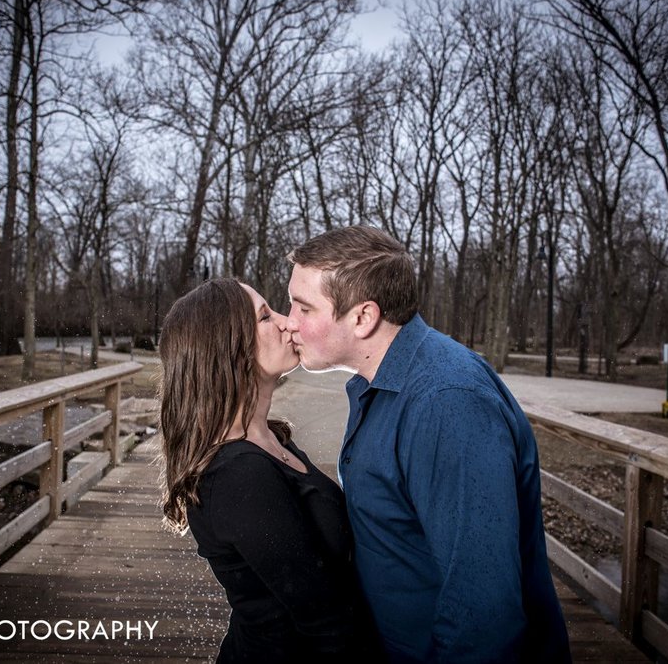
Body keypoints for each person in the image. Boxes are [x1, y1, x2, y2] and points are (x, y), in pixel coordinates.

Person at [286, 226, 571, 663]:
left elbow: (483, 605)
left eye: (304, 307)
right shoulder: (378, 383)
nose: (291, 321)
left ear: (363, 317)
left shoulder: (447, 403)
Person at [158, 277, 381, 663]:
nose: (288, 322)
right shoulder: (236, 476)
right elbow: (324, 622)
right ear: (226, 348)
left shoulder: (270, 439)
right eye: (265, 316)